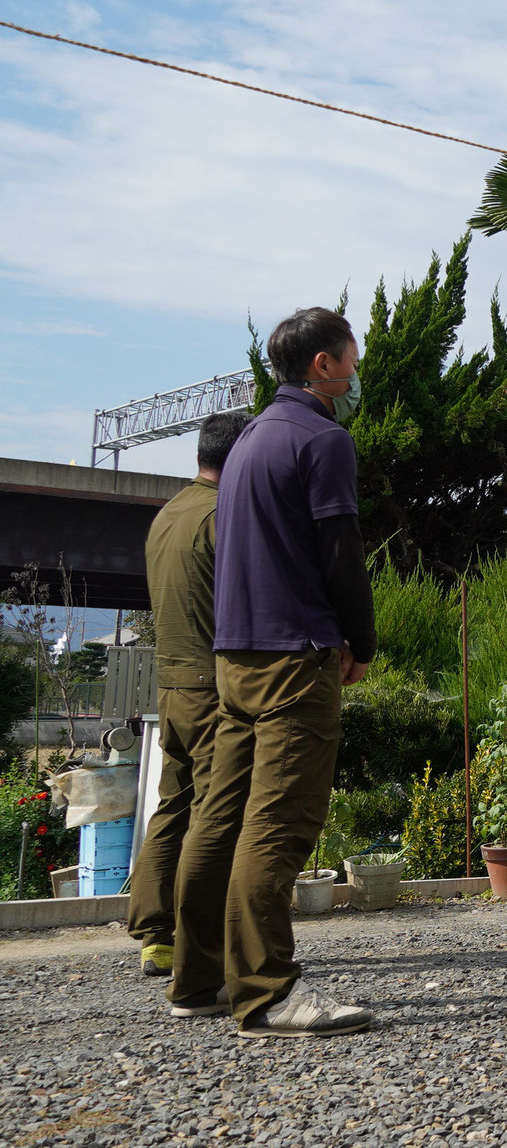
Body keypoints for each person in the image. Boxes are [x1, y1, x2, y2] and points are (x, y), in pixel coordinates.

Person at [178, 307, 376, 1038]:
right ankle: (266, 991)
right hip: (295, 655)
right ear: (323, 364)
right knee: (278, 824)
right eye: (350, 353)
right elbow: (339, 553)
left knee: (219, 817)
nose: (357, 366)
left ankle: (197, 977)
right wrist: (360, 639)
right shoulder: (323, 438)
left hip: (235, 655)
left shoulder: (251, 440)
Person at [126, 410, 250, 979]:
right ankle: (209, 947)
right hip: (211, 687)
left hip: (172, 683)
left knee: (171, 807)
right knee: (217, 813)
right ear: (242, 455)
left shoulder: (168, 513)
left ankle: (156, 935)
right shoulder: (226, 515)